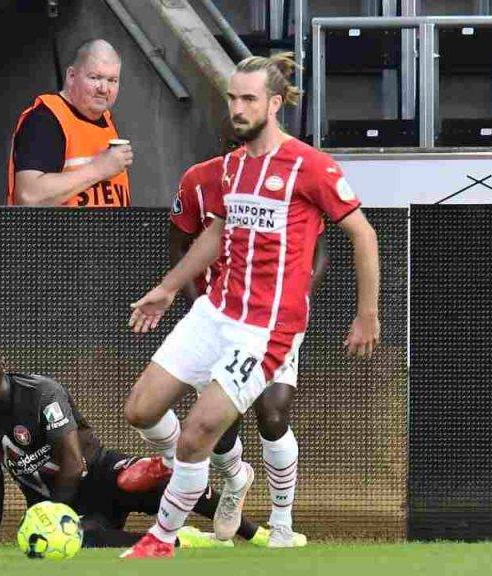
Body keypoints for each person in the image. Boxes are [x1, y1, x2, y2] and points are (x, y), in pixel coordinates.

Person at [118, 53, 381, 559]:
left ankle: (163, 536)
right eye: (232, 98)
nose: (236, 108)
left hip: (267, 327)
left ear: (274, 104)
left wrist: (366, 313)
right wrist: (170, 287)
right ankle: (227, 475)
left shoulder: (310, 166)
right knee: (140, 409)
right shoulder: (233, 166)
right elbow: (216, 234)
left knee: (200, 431)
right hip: (217, 311)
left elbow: (363, 235)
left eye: (247, 100)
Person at [117, 119, 330, 547]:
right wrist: (196, 299)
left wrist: (292, 295)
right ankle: (234, 479)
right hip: (219, 316)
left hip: (275, 318)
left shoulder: (294, 176)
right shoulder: (199, 181)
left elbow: (320, 250)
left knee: (272, 414)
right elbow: (184, 244)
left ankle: (282, 526)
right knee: (212, 426)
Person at [0, 331, 272, 550]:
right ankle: (182, 541)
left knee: (165, 478)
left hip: (98, 474)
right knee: (84, 538)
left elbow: (71, 463)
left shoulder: (42, 394)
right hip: (54, 502)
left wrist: (56, 516)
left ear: (2, 363)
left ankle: (255, 534)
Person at [6, 38, 132, 207]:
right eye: (95, 77)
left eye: (112, 80)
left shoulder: (107, 120)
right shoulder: (47, 117)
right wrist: (98, 169)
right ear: (72, 76)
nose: (104, 88)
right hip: (59, 234)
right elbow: (29, 196)